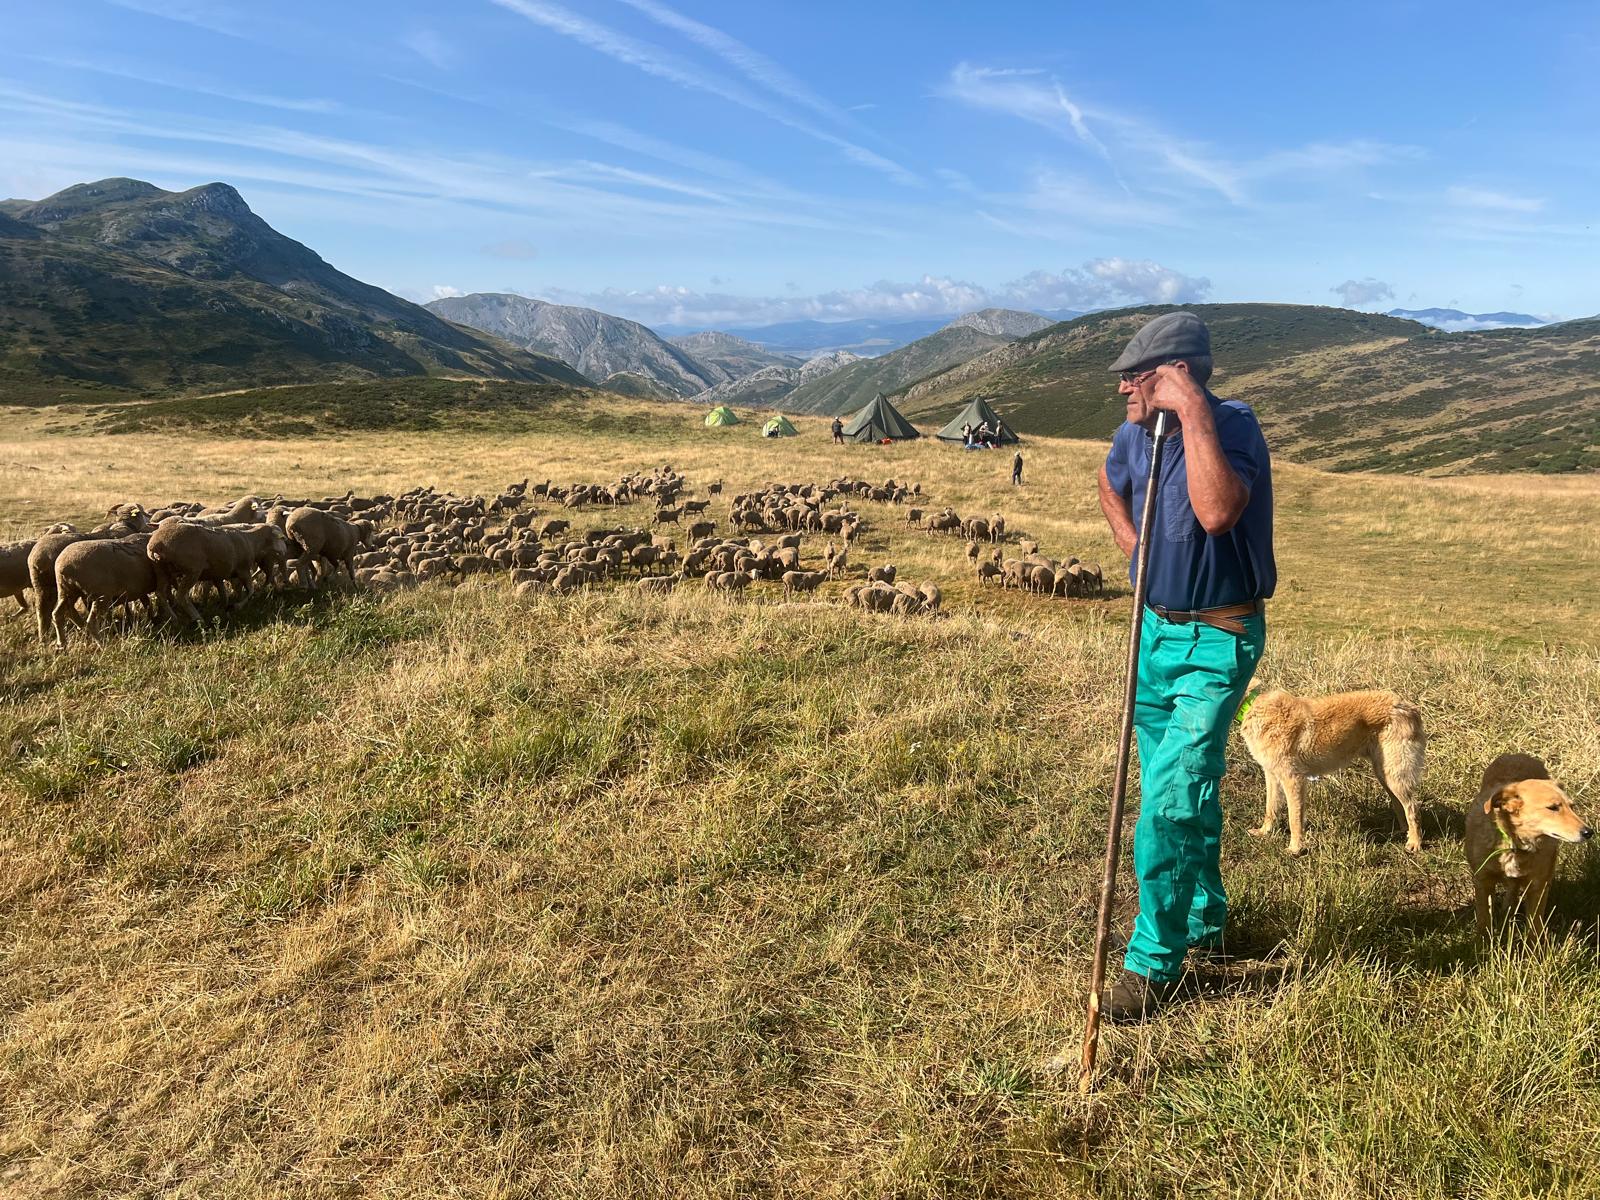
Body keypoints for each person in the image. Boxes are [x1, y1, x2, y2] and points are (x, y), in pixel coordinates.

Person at [1095, 311, 1275, 1022]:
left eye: (1135, 376)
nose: (1121, 389)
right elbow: (1109, 482)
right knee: (1181, 787)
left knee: (1171, 795)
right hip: (1155, 636)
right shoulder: (1130, 437)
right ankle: (1204, 921)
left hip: (1218, 638)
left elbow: (1217, 510)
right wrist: (1132, 544)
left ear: (1175, 375)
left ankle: (1152, 964)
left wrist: (1192, 409)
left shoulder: (1229, 425)